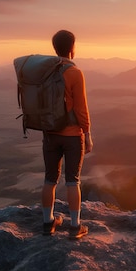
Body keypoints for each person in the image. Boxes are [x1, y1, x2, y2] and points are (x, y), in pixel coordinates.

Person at [42, 29, 93, 239]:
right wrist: (87, 133)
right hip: (72, 135)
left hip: (50, 132)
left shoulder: (45, 71)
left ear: (54, 47)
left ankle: (48, 223)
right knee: (73, 180)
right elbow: (81, 108)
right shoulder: (74, 73)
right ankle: (75, 226)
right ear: (72, 47)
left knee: (50, 179)